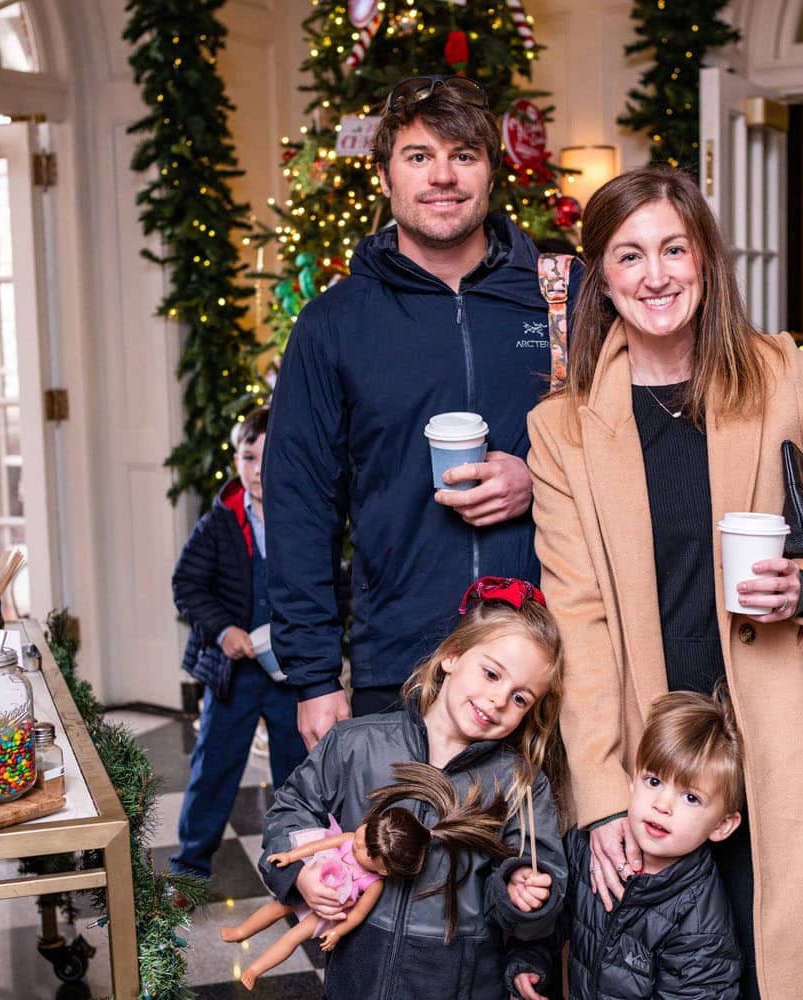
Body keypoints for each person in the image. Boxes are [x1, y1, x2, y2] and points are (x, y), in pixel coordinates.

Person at [527, 165, 803, 1000]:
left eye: (675, 247)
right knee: (669, 977)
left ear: (706, 257)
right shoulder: (562, 429)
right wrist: (599, 798)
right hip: (655, 756)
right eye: (629, 256)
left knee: (785, 965)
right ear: (601, 275)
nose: (656, 275)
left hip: (779, 734)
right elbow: (581, 623)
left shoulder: (782, 375)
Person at [265, 74, 581, 750]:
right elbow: (300, 504)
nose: (442, 176)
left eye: (464, 154)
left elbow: (633, 445)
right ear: (383, 175)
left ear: (493, 170)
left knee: (541, 856)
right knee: (403, 853)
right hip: (401, 660)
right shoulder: (333, 324)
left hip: (551, 655)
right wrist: (316, 677)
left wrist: (538, 478)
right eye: (418, 156)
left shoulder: (561, 299)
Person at [256, 576, 568, 998]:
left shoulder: (520, 783)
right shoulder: (356, 744)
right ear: (452, 656)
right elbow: (291, 809)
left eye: (520, 698)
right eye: (491, 673)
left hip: (460, 985)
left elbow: (541, 900)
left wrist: (522, 894)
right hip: (358, 978)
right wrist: (303, 875)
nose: (498, 700)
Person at [506, 688, 746, 1000]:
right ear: (630, 782)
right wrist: (529, 958)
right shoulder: (588, 850)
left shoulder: (700, 922)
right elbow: (553, 915)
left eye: (690, 797)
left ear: (721, 825)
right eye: (654, 781)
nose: (662, 804)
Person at [169, 407, 308, 879]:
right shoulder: (220, 522)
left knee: (297, 770)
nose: (257, 471)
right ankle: (190, 864)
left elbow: (331, 585)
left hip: (289, 671)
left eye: (268, 460)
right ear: (237, 460)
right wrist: (224, 630)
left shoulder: (303, 519)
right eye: (249, 457)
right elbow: (187, 585)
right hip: (234, 675)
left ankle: (298, 862)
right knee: (215, 767)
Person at [222, 762, 511, 989]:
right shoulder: (352, 838)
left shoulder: (372, 884)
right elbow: (322, 844)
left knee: (294, 936)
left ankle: (255, 969)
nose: (357, 842)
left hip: (329, 908)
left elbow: (357, 915)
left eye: (365, 851)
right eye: (364, 832)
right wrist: (291, 857)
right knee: (276, 907)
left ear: (383, 870)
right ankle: (241, 932)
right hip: (314, 875)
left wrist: (336, 932)